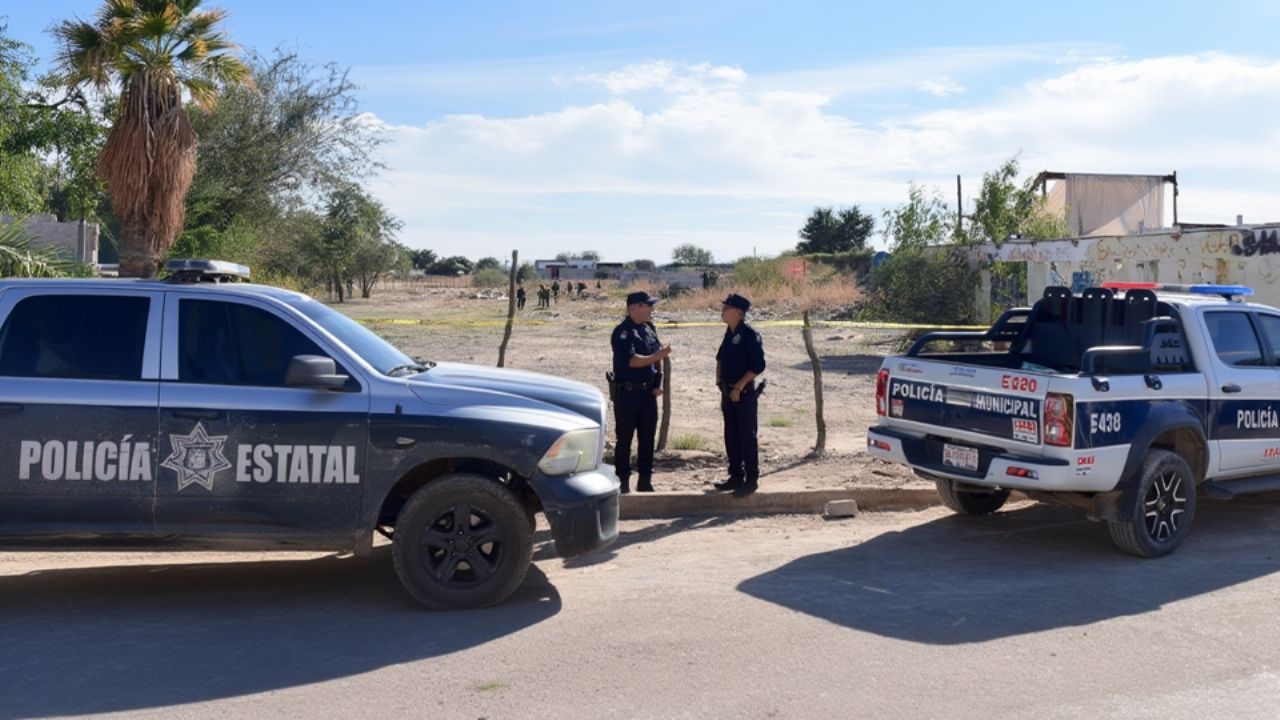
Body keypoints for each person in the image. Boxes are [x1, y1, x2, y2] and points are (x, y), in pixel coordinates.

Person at [610, 291, 670, 494]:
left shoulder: (649, 329)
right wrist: (657, 356)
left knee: (647, 438)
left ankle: (645, 481)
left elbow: (657, 359)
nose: (651, 310)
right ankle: (623, 482)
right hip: (628, 394)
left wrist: (657, 382)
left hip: (647, 394)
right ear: (634, 307)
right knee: (624, 440)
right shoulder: (623, 332)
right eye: (647, 306)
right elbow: (632, 361)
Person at [713, 293, 766, 497]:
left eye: (726, 308)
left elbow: (758, 365)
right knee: (731, 435)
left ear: (737, 311)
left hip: (743, 392)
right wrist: (720, 382)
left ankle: (751, 479)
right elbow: (720, 358)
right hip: (728, 391)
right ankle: (735, 475)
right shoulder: (729, 332)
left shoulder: (749, 335)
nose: (722, 311)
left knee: (746, 436)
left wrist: (738, 387)